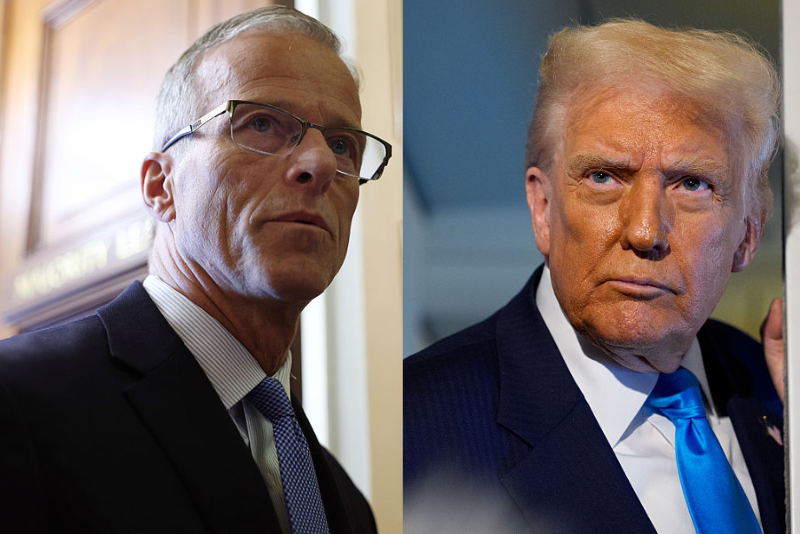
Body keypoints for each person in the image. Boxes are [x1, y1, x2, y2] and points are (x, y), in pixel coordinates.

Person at [0, 6, 391, 533]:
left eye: (343, 145)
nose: (320, 164)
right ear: (161, 187)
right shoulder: (19, 399)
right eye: (261, 123)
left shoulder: (346, 504)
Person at [404, 19, 784, 534]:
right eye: (604, 177)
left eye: (692, 184)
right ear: (542, 207)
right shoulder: (411, 426)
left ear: (748, 233)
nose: (645, 230)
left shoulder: (776, 390)